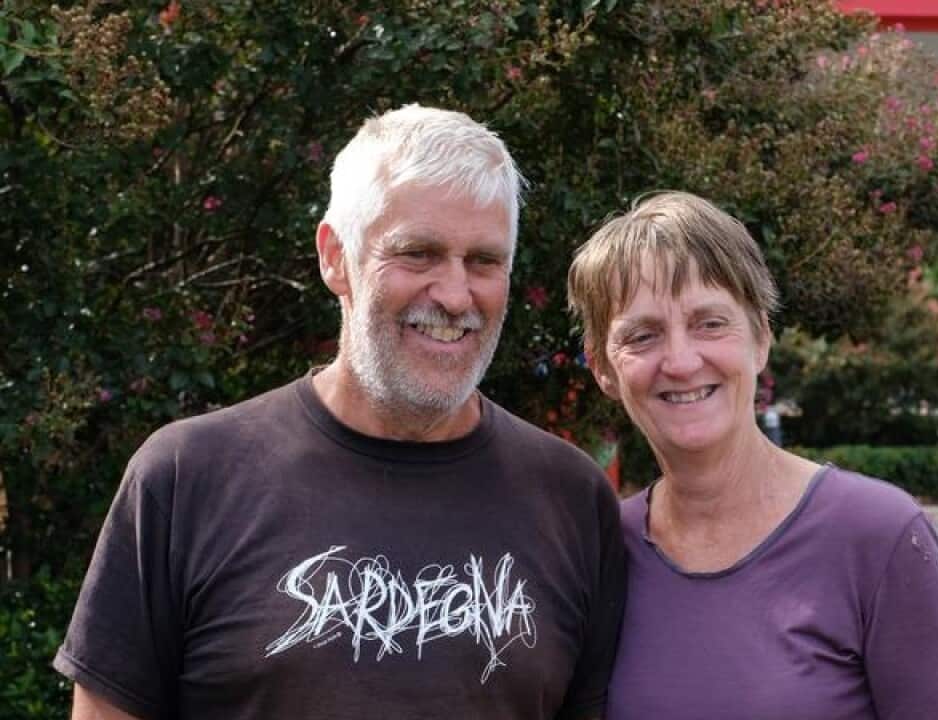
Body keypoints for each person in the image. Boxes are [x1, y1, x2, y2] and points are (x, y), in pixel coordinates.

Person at [55, 105, 626, 720]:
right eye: (418, 253)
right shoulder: (186, 478)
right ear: (335, 256)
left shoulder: (570, 500)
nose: (455, 295)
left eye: (484, 261)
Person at [566, 192, 938, 719]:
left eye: (710, 323)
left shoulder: (880, 537)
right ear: (603, 368)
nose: (681, 361)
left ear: (761, 338)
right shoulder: (604, 553)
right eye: (643, 336)